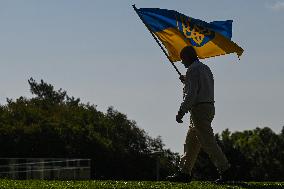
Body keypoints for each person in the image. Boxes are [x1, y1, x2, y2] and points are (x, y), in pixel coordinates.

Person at [169, 46, 231, 183]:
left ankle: (225, 170)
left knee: (207, 142)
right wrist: (186, 80)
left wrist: (181, 111)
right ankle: (184, 173)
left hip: (199, 109)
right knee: (191, 143)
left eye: (183, 59)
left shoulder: (192, 70)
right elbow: (200, 86)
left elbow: (192, 94)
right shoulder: (205, 68)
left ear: (188, 57)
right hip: (208, 106)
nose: (182, 62)